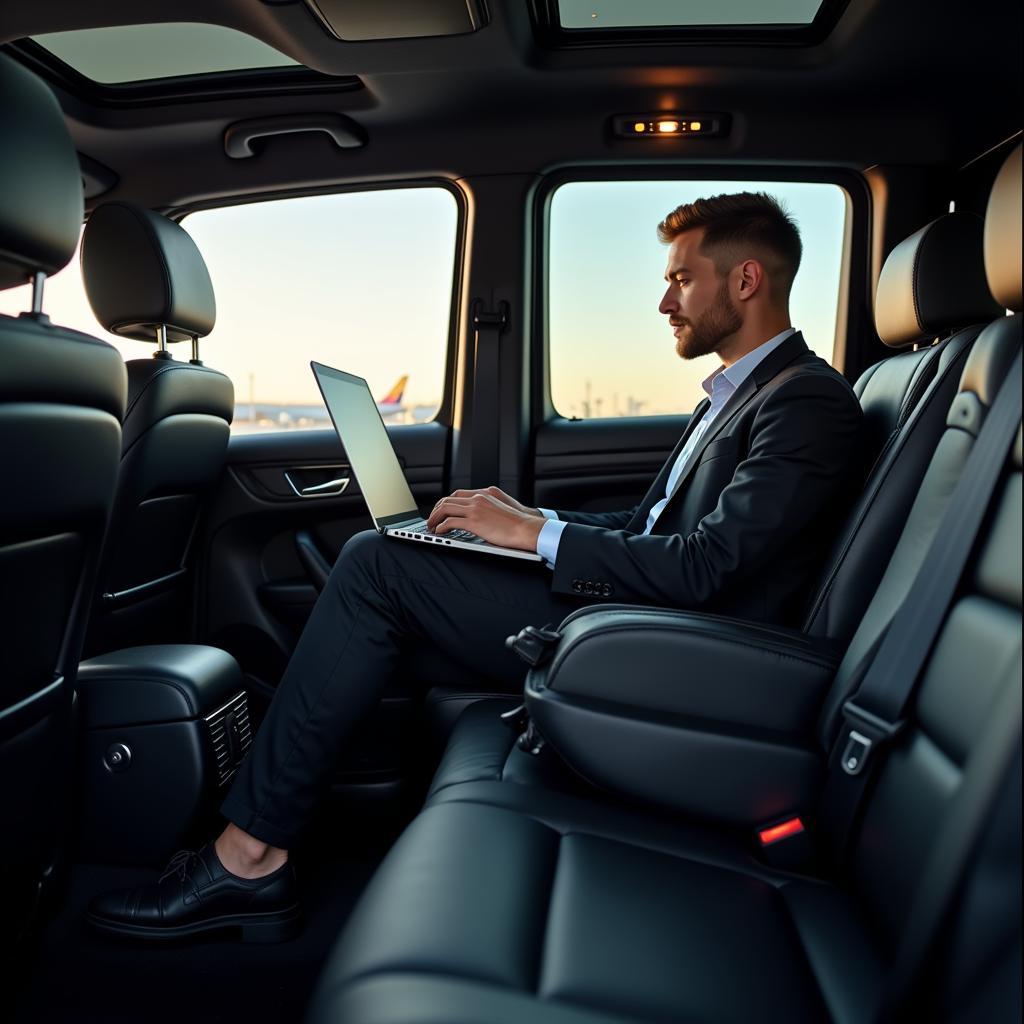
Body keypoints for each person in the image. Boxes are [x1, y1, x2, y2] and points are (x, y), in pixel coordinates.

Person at [87, 191, 865, 941]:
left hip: (683, 653)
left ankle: (248, 855)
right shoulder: (731, 398)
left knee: (373, 568)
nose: (666, 303)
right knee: (385, 599)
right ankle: (279, 830)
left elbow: (706, 569)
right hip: (646, 621)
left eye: (680, 279)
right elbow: (647, 526)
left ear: (746, 280)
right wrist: (531, 522)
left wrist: (534, 541)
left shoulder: (805, 404)